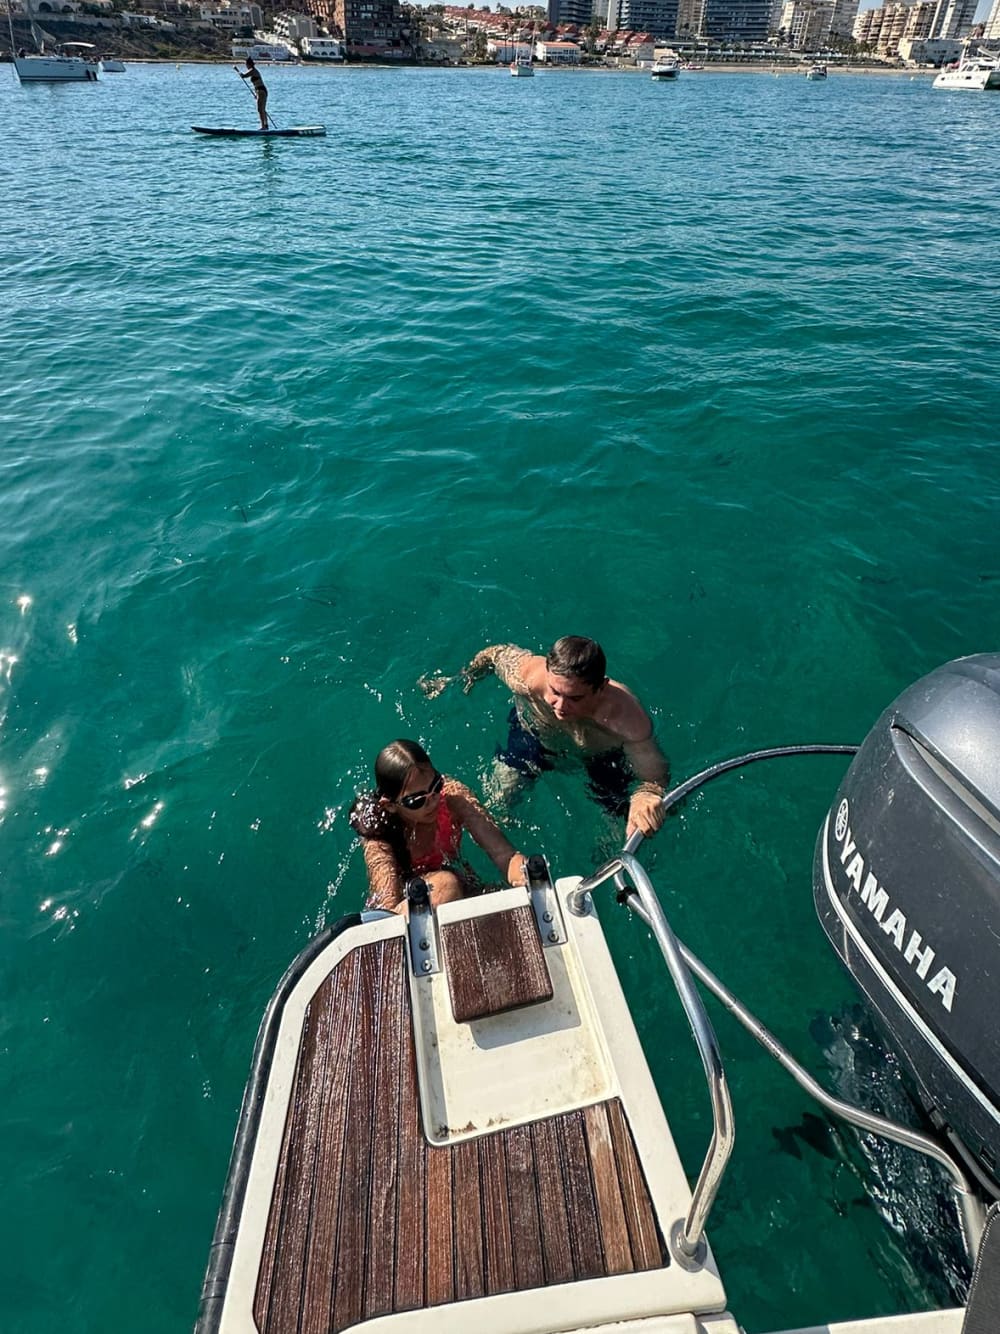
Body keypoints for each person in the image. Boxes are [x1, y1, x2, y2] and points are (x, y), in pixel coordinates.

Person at [423, 636, 669, 839]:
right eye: (555, 692)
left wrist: (645, 794)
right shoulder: (529, 677)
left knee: (620, 830)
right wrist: (464, 676)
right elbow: (495, 654)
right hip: (535, 736)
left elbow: (654, 777)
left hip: (601, 758)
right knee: (498, 804)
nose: (560, 706)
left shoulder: (626, 720)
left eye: (575, 698)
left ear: (601, 687)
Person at [349, 739, 528, 913]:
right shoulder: (380, 837)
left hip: (456, 880)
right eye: (416, 800)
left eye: (436, 785)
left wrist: (526, 878)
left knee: (498, 898)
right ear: (390, 805)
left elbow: (504, 854)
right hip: (412, 897)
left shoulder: (453, 798)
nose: (433, 801)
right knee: (446, 885)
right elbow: (387, 910)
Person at [235, 56, 268, 130]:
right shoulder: (253, 71)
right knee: (262, 109)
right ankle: (266, 125)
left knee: (260, 109)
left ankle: (263, 127)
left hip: (261, 91)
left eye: (246, 65)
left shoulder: (253, 70)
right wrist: (256, 94)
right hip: (260, 91)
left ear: (249, 64)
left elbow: (243, 76)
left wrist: (237, 70)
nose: (246, 66)